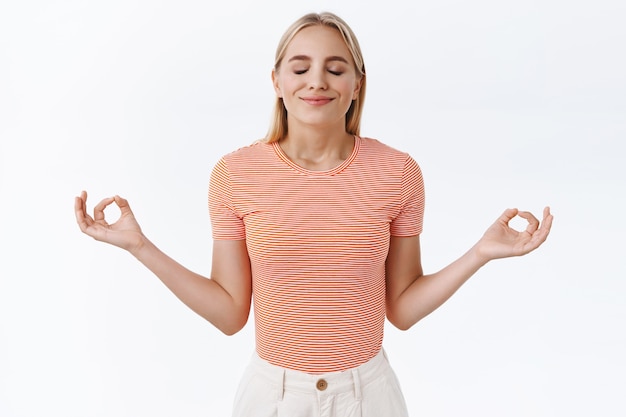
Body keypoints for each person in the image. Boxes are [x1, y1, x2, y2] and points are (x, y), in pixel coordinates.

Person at [75, 11, 553, 417]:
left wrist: (482, 253)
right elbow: (228, 313)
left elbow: (402, 308)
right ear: (277, 81)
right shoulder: (235, 174)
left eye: (336, 68)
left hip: (369, 396)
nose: (317, 81)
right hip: (272, 397)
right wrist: (139, 246)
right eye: (300, 68)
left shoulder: (398, 172)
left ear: (357, 84)